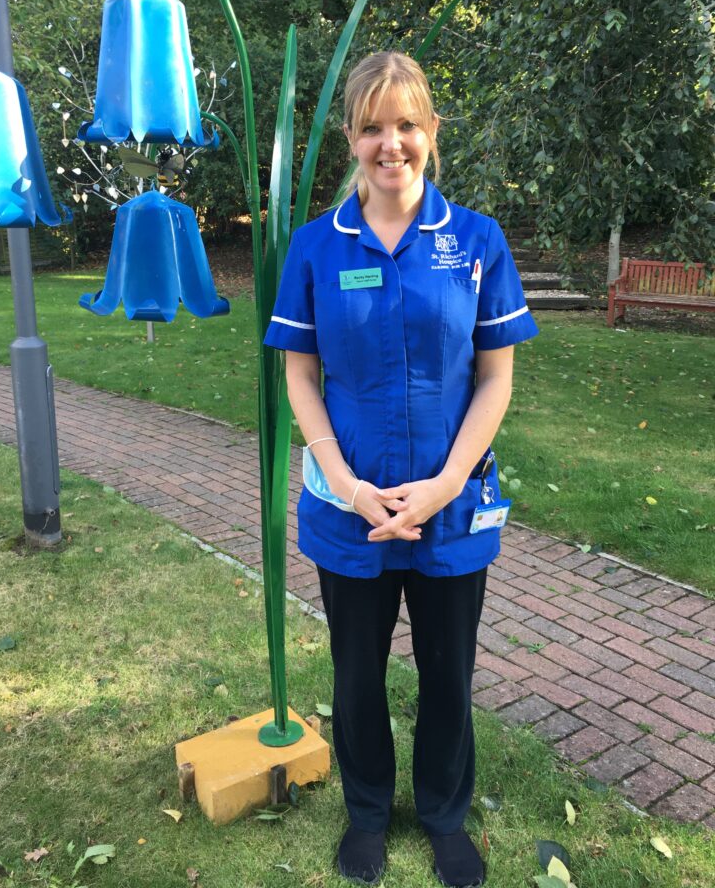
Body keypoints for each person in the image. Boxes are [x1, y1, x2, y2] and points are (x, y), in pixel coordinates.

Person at [264, 52, 539, 887]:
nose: (392, 144)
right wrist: (347, 485)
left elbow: (495, 375)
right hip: (349, 512)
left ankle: (445, 816)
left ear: (431, 133)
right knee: (356, 677)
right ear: (351, 137)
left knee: (448, 674)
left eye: (407, 124)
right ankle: (369, 815)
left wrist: (446, 483)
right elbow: (299, 377)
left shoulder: (476, 242)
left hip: (452, 510)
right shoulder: (316, 248)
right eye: (374, 126)